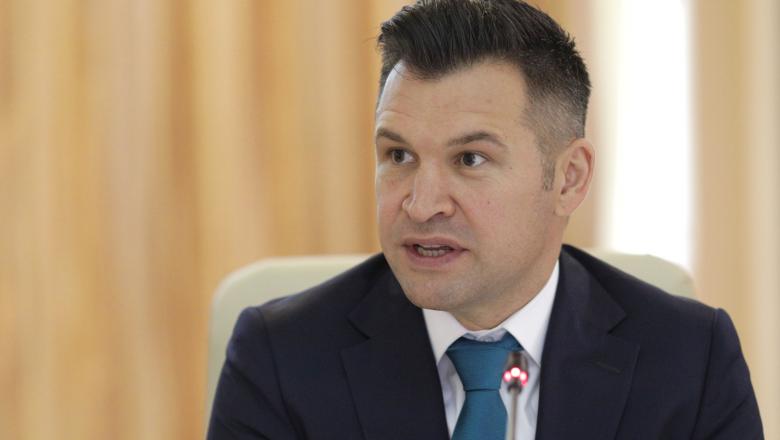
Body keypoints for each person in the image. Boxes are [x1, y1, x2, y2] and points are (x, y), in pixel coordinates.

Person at [207, 1, 763, 439]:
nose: (421, 205)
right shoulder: (281, 358)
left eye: (470, 159)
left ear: (568, 179)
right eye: (399, 155)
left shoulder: (690, 359)